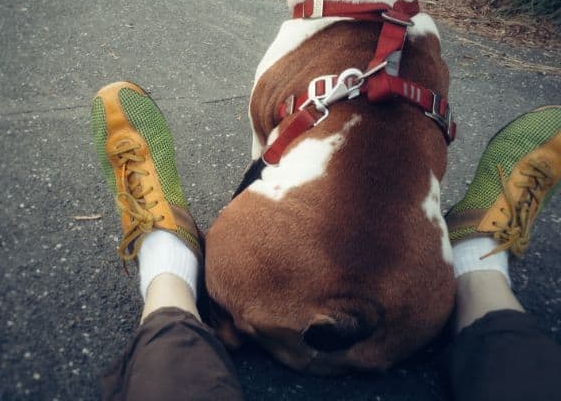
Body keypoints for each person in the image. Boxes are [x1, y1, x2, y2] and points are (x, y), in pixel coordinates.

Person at [91, 81, 561, 400]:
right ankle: (476, 267)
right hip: (398, 338)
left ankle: (169, 263)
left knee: (168, 339)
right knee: (518, 357)